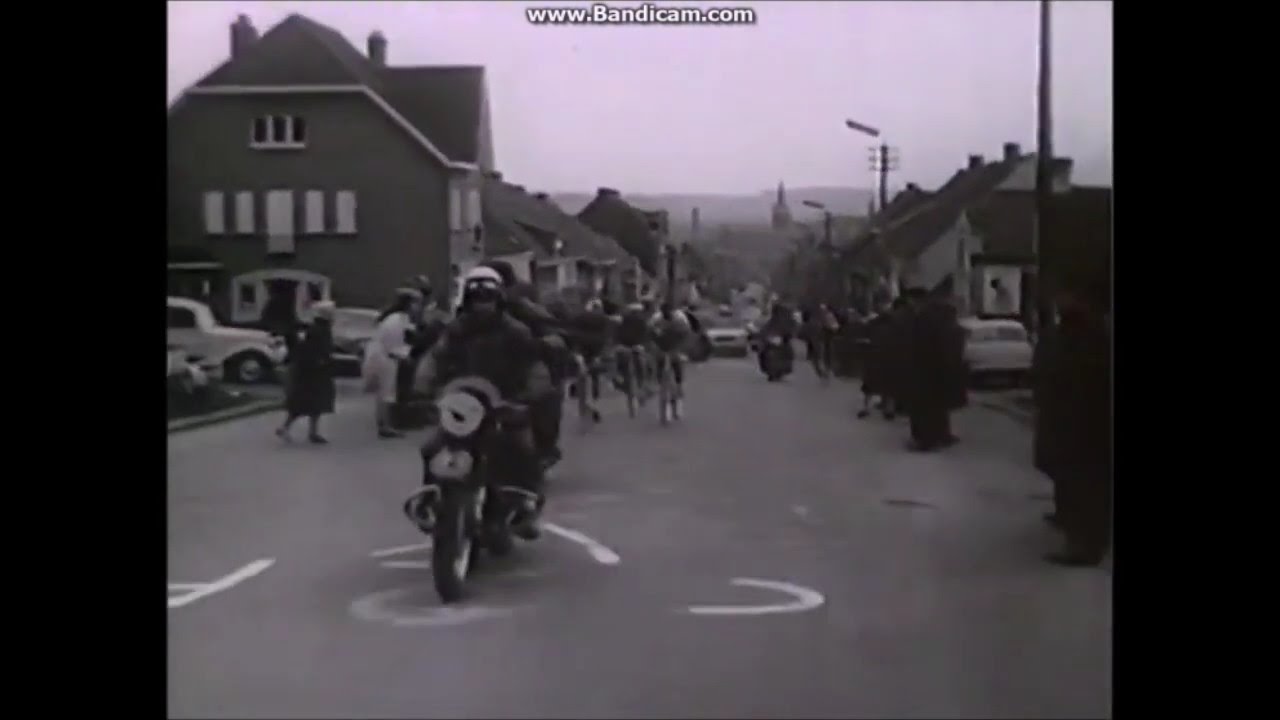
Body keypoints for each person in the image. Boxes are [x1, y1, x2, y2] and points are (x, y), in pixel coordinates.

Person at [414, 266, 552, 539]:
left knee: (524, 449)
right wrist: (423, 388)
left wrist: (529, 395)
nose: (482, 304)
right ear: (467, 300)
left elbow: (534, 366)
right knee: (431, 447)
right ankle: (430, 500)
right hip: (462, 406)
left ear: (499, 298)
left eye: (488, 297)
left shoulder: (516, 332)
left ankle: (527, 506)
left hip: (505, 405)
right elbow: (434, 359)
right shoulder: (455, 331)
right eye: (476, 298)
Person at [1034, 279, 1111, 567]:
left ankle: (1085, 546)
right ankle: (1081, 539)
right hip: (1073, 422)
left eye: (1063, 296)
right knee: (1076, 484)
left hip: (1084, 424)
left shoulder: (1088, 334)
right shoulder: (1073, 331)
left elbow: (1084, 379)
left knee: (1085, 487)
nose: (1058, 301)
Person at [482, 261, 568, 465]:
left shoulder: (522, 308)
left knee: (544, 396)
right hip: (479, 375)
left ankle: (543, 447)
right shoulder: (466, 314)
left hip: (517, 372)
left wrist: (548, 342)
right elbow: (446, 341)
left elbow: (550, 328)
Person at [901, 294, 967, 451]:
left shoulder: (923, 319)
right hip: (939, 370)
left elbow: (913, 344)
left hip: (923, 369)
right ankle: (939, 436)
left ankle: (927, 439)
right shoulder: (944, 321)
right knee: (938, 405)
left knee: (925, 406)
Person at [364, 287, 422, 438]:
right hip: (385, 357)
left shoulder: (395, 317)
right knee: (386, 393)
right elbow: (394, 343)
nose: (418, 307)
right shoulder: (398, 320)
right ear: (408, 304)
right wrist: (406, 357)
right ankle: (385, 426)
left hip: (382, 355)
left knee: (382, 393)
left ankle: (383, 424)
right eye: (416, 303)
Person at [276, 301, 337, 443]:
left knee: (312, 403)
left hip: (313, 371)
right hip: (313, 372)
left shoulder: (317, 328)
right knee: (308, 402)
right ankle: (289, 428)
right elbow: (315, 350)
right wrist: (322, 361)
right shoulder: (320, 330)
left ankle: (311, 432)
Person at [650, 301, 692, 416]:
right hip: (662, 350)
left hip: (675, 349)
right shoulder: (656, 321)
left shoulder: (679, 321)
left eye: (668, 312)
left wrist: (683, 351)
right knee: (659, 366)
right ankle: (660, 383)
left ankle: (679, 390)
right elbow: (651, 335)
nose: (666, 314)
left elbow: (685, 336)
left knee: (678, 368)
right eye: (664, 312)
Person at [614, 301, 653, 396]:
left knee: (621, 365)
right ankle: (643, 385)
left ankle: (621, 381)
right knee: (644, 365)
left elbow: (617, 334)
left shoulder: (622, 320)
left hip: (624, 346)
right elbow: (646, 335)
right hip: (636, 346)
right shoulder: (642, 321)